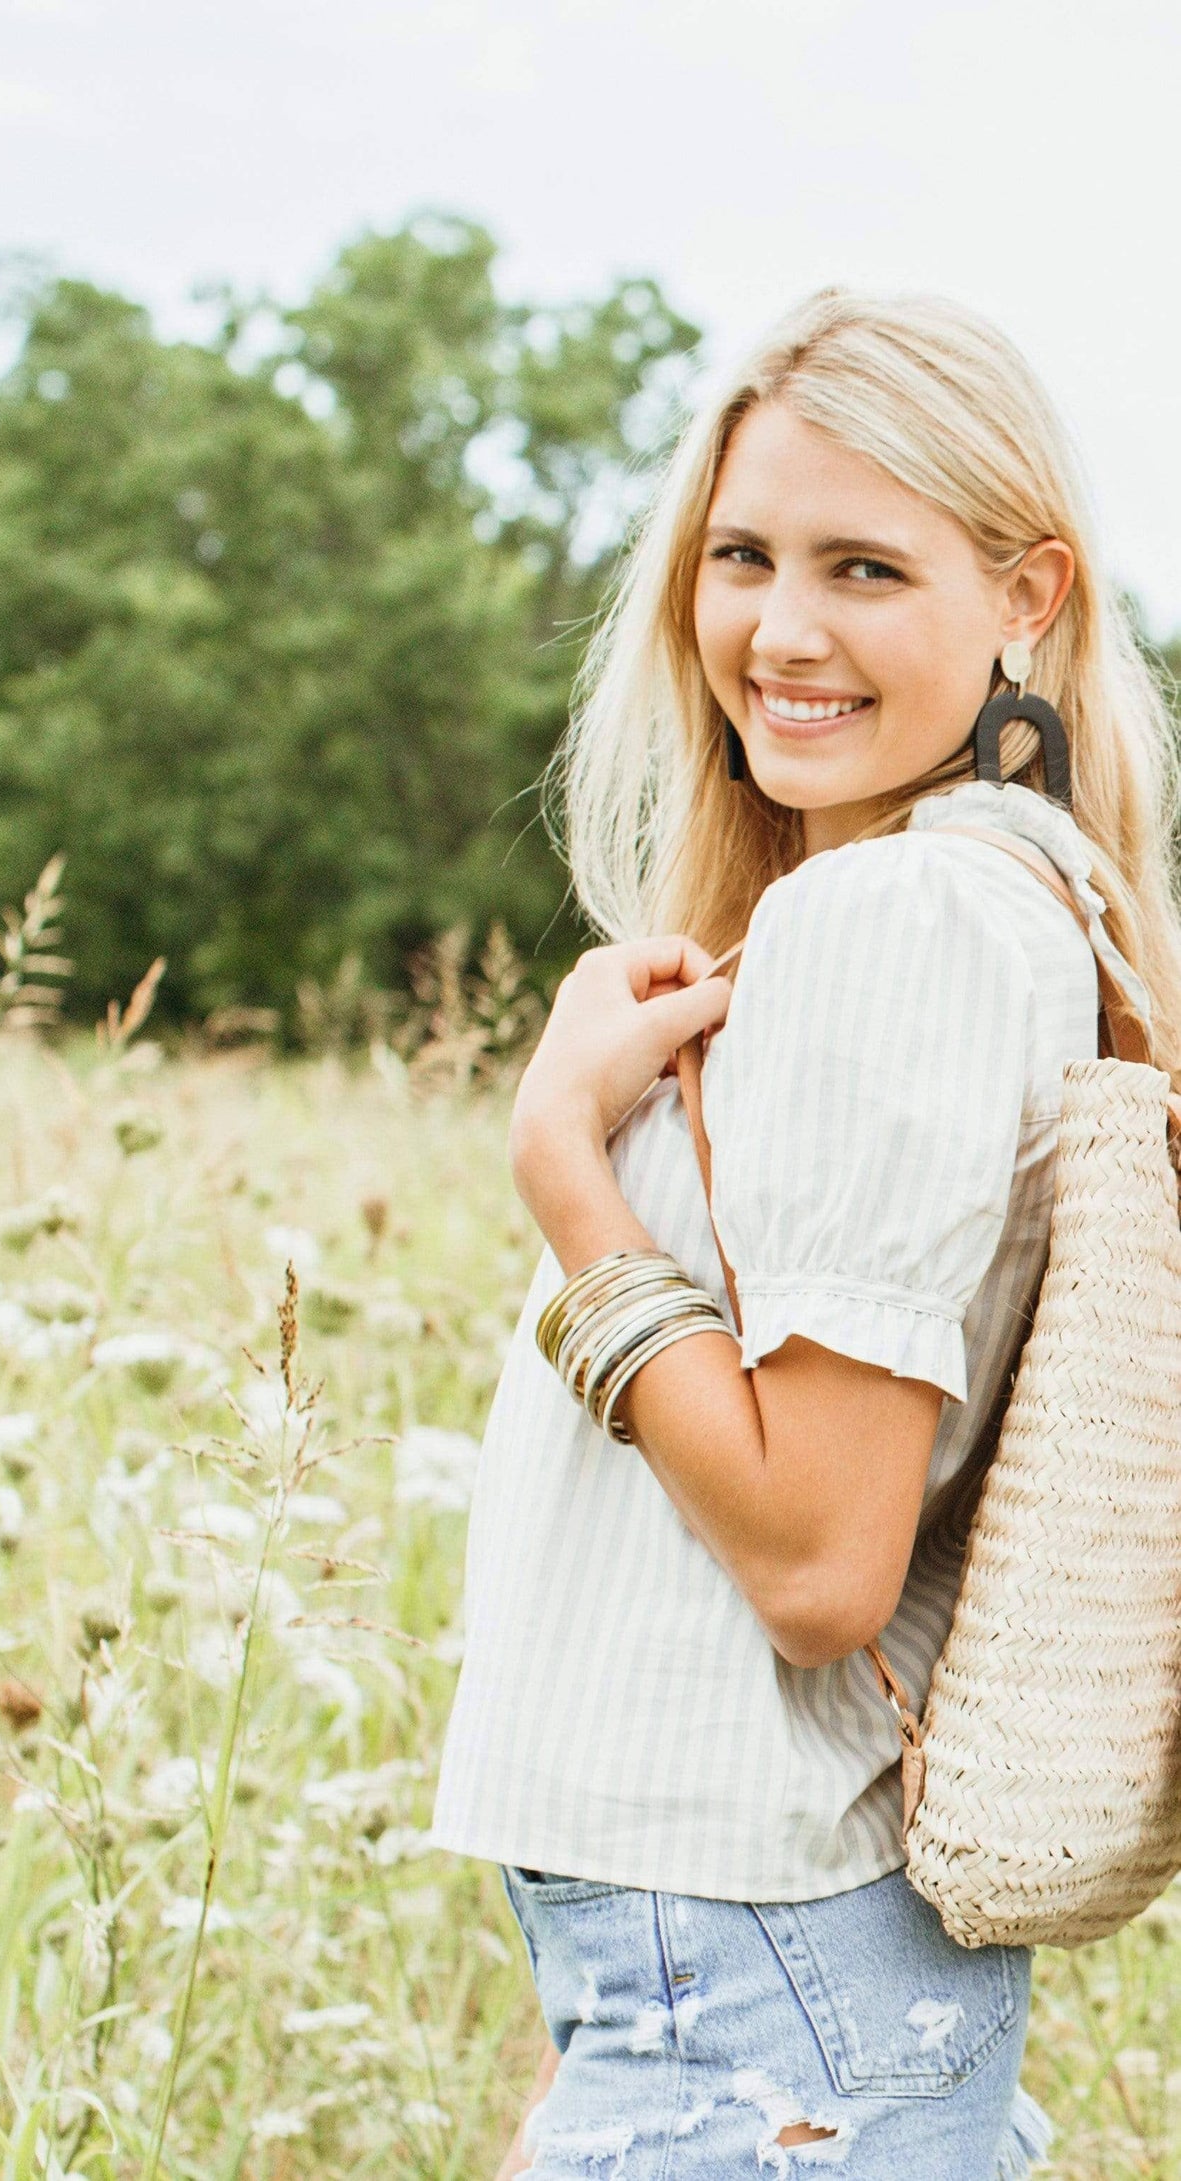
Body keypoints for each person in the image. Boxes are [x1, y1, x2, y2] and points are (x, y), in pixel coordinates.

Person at [427, 289, 1181, 2179]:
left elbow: (820, 1559)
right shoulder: (1022, 904)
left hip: (748, 1992)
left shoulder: (899, 924)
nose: (779, 631)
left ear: (1027, 595)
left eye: (863, 566)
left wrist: (564, 1164)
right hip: (759, 1992)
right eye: (739, 555)